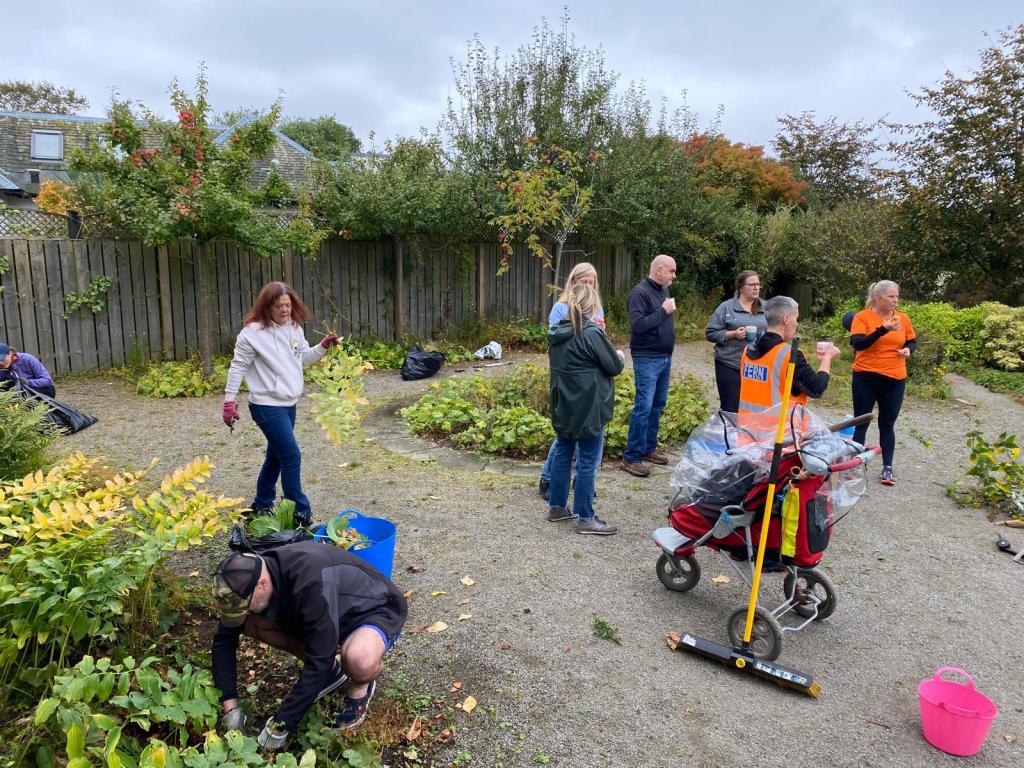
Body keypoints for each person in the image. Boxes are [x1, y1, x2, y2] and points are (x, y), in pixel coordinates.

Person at [211, 543, 408, 748]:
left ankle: (360, 688)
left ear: (261, 584)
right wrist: (230, 709)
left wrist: (281, 725)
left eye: (245, 605)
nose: (244, 610)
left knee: (359, 659)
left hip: (372, 610)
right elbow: (224, 640)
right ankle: (333, 675)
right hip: (327, 613)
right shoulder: (249, 574)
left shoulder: (310, 582)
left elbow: (320, 659)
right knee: (250, 623)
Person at [222, 282, 339, 527]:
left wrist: (324, 346)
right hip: (266, 405)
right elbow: (238, 367)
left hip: (289, 404)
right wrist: (229, 401)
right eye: (279, 306)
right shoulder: (252, 334)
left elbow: (303, 358)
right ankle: (300, 512)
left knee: (276, 457)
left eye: (288, 305)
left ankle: (263, 505)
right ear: (267, 307)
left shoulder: (294, 328)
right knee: (291, 455)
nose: (285, 310)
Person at [546, 283, 625, 535]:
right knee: (588, 460)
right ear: (592, 306)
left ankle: (557, 506)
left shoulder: (558, 332)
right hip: (589, 405)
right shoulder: (591, 333)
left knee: (562, 452)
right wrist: (620, 356)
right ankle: (585, 516)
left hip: (564, 404)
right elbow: (614, 366)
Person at [538, 262, 606, 501]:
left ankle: (583, 482)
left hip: (593, 380)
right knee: (566, 436)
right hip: (571, 379)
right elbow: (557, 342)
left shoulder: (597, 309)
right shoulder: (560, 308)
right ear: (573, 282)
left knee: (592, 433)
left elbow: (601, 342)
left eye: (592, 282)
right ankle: (548, 478)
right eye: (584, 282)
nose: (588, 286)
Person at [848, 280, 916, 486]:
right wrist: (882, 330)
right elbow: (858, 343)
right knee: (861, 422)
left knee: (887, 424)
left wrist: (909, 350)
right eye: (891, 296)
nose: (895, 300)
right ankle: (853, 466)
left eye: (897, 296)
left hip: (895, 378)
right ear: (877, 298)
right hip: (865, 377)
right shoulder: (862, 317)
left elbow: (911, 341)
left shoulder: (903, 318)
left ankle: (887, 468)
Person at [620, 254, 677, 478]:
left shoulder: (663, 290)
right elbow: (639, 325)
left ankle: (648, 448)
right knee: (643, 406)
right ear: (659, 270)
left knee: (658, 404)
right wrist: (663, 311)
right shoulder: (639, 293)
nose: (674, 275)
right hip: (647, 357)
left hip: (664, 356)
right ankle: (631, 457)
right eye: (671, 271)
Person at [738, 295, 840, 415]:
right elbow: (816, 388)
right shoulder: (790, 355)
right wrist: (826, 358)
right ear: (786, 319)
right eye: (796, 318)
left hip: (746, 429)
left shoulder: (748, 350)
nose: (796, 323)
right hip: (778, 431)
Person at [704, 270, 767, 413]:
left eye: (758, 284)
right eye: (752, 285)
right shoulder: (726, 307)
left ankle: (747, 435)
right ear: (741, 287)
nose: (756, 288)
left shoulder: (766, 307)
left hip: (757, 366)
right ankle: (728, 434)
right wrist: (732, 334)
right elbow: (710, 333)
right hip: (730, 363)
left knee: (753, 408)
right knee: (731, 408)